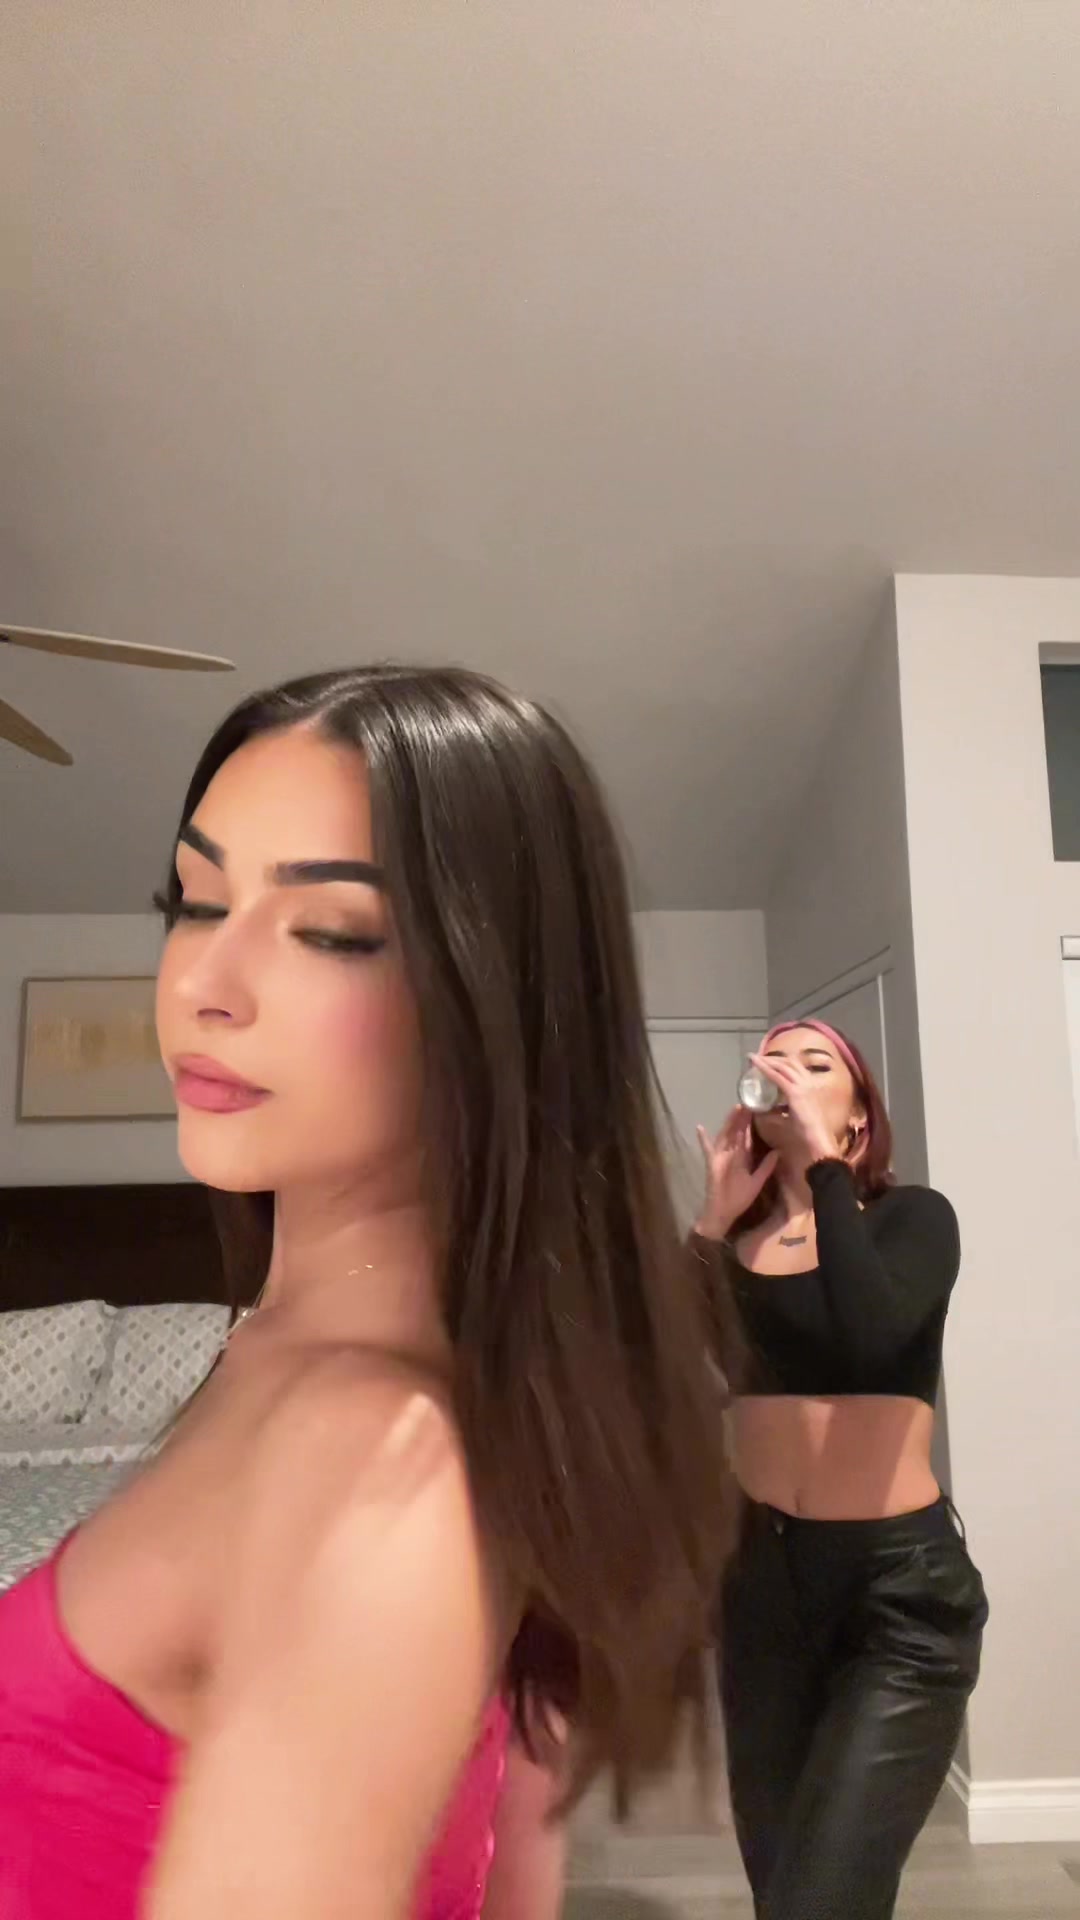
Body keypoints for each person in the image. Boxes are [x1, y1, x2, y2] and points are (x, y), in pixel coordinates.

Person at [0, 665, 735, 1920]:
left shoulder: (372, 1462)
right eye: (195, 902)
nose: (205, 983)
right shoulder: (306, 1355)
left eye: (331, 931)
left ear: (499, 996)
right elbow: (516, 1851)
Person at [690, 1019, 988, 1920]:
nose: (784, 1072)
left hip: (896, 1594)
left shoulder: (913, 1220)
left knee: (825, 1898)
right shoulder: (735, 1246)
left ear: (858, 1118)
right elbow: (657, 1359)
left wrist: (825, 1171)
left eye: (814, 1064)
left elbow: (872, 1341)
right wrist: (709, 1223)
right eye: (772, 1060)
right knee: (782, 1886)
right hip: (762, 1591)